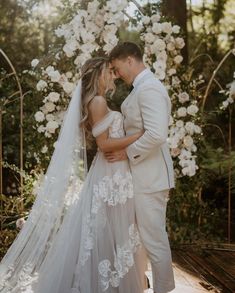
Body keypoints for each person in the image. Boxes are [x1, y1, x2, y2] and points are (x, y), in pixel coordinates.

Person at [0, 57, 146, 293]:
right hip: (110, 176)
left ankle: (113, 282)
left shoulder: (98, 100)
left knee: (112, 230)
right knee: (107, 229)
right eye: (109, 71)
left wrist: (127, 150)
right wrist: (140, 136)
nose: (113, 75)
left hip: (115, 173)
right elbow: (104, 144)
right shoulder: (97, 101)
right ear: (99, 74)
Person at [107, 42, 175, 293]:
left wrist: (126, 152)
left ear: (130, 61)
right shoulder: (140, 88)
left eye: (117, 68)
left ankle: (164, 290)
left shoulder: (150, 89)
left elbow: (157, 134)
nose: (116, 74)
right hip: (141, 176)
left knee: (154, 240)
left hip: (151, 178)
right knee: (143, 240)